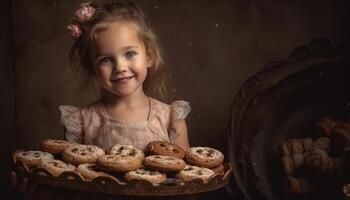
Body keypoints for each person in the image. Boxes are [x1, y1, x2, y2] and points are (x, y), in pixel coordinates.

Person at [11, 1, 191, 199]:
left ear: (148, 55)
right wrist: (42, 192)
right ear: (92, 67)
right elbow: (71, 186)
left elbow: (186, 182)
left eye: (130, 53)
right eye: (105, 59)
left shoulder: (170, 118)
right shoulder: (81, 122)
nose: (120, 67)